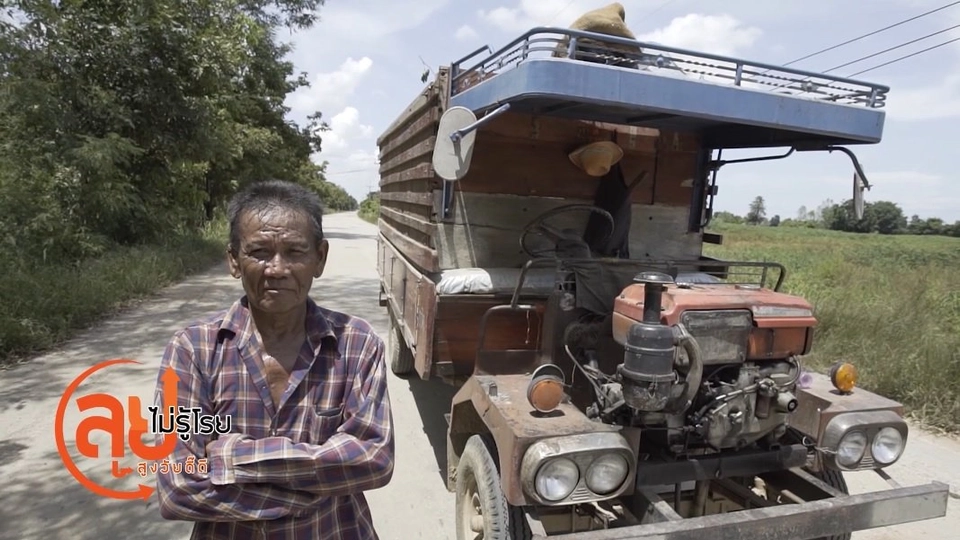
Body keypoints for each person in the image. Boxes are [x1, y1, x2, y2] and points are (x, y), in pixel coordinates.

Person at [153, 179, 394, 539]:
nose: (277, 269)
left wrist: (231, 456)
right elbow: (177, 486)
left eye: (295, 252)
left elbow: (373, 460)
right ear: (234, 260)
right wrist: (309, 495)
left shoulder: (357, 344)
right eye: (260, 252)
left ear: (320, 258)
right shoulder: (192, 350)